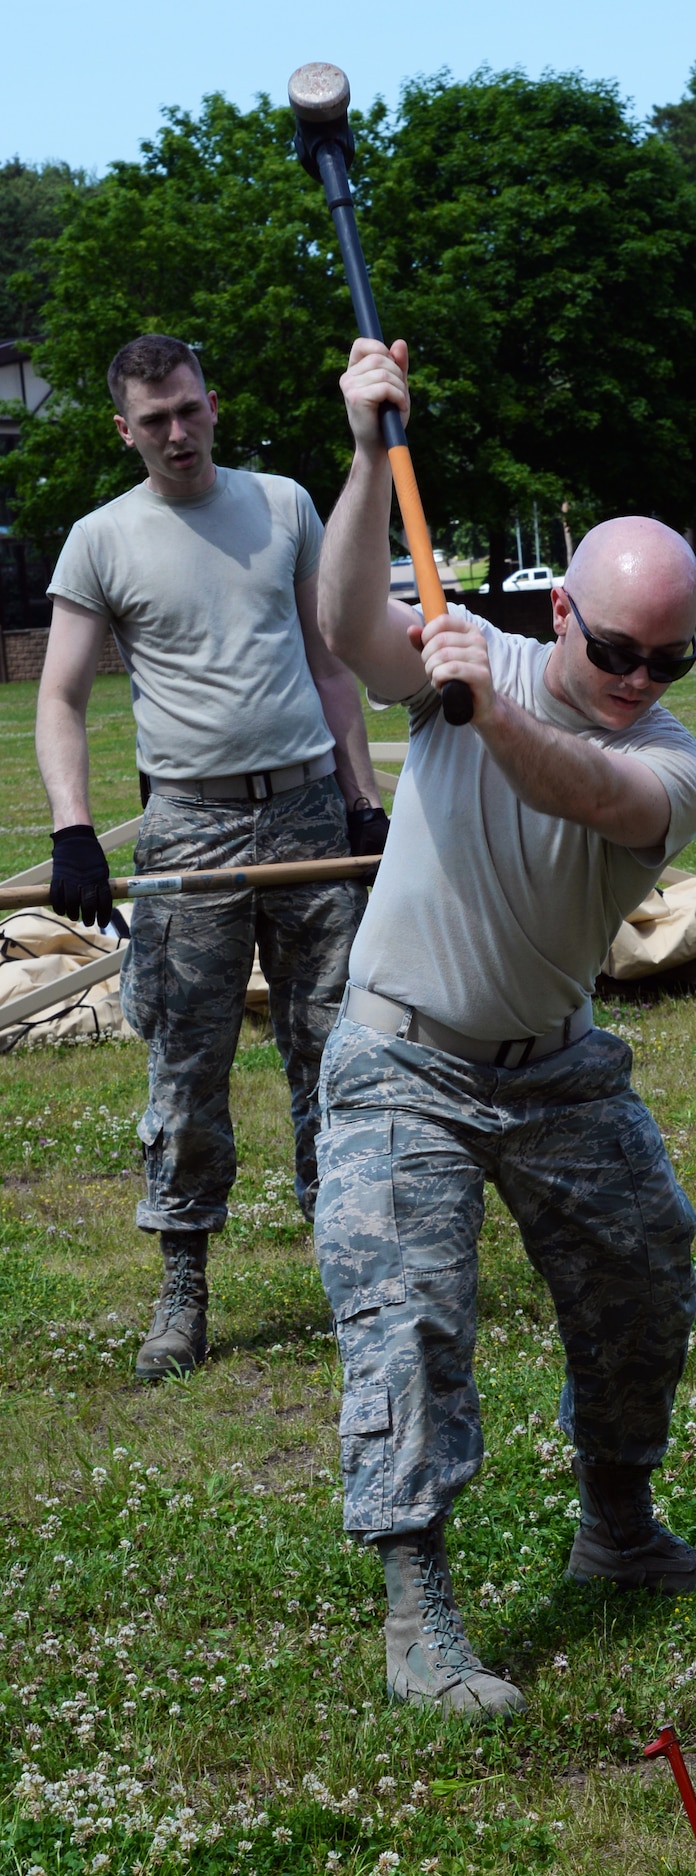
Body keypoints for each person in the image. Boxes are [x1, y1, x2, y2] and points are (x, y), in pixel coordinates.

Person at [314, 336, 696, 1720]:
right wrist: (359, 455)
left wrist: (487, 707)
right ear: (562, 609)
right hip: (403, 1056)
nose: (641, 676)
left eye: (669, 655)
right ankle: (417, 1607)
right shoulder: (472, 651)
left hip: (554, 1065)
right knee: (411, 1316)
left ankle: (619, 1530)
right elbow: (344, 628)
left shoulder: (673, 766)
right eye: (619, 649)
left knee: (645, 1274)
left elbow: (589, 796)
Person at [37, 334, 389, 1382]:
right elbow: (61, 696)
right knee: (187, 1070)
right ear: (124, 429)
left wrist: (362, 801)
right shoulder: (101, 538)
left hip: (305, 818)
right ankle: (183, 1286)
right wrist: (71, 830)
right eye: (154, 421)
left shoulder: (282, 504)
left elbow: (331, 664)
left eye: (189, 410)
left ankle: (352, 1264)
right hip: (187, 830)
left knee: (336, 1049)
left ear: (214, 404)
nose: (177, 434)